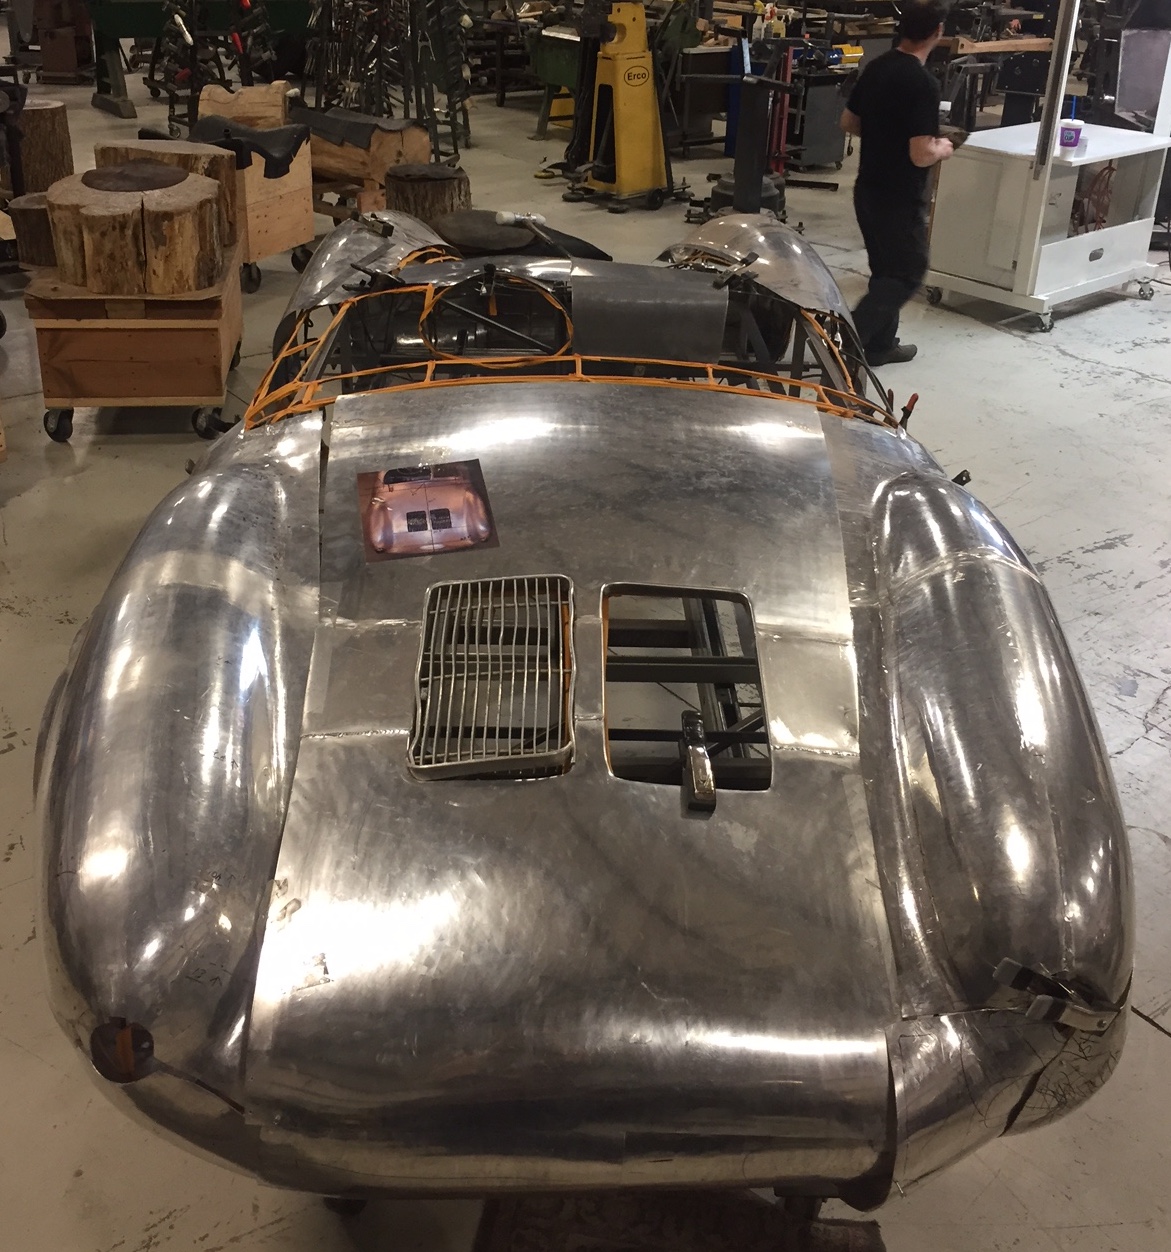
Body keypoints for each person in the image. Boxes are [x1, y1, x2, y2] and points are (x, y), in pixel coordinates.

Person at [839, 0, 954, 366]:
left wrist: (884, 133)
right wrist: (944, 147)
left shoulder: (877, 66)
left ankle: (879, 345)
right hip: (899, 195)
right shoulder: (923, 83)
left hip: (868, 188)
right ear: (938, 32)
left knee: (885, 270)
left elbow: (848, 122)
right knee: (907, 273)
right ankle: (847, 338)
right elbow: (920, 154)